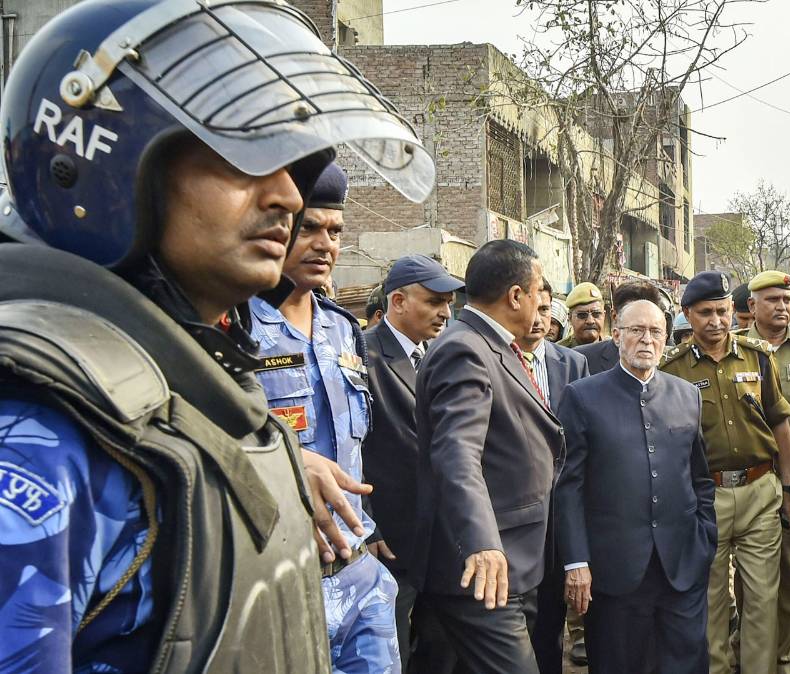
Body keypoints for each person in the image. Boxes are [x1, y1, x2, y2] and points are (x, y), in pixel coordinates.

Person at [0, 0, 435, 669]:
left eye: (291, 168)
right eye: (243, 157)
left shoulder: (193, 379)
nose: (289, 197)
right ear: (108, 171)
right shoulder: (38, 432)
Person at [250, 162, 402, 672]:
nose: (324, 245)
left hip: (359, 576)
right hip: (281, 579)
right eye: (309, 228)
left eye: (335, 232)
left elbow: (359, 446)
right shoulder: (236, 326)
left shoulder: (342, 328)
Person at [412, 239, 561, 671]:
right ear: (515, 296)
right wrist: (481, 543)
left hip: (513, 559)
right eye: (536, 291)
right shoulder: (466, 349)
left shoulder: (495, 346)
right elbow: (457, 452)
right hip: (485, 567)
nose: (540, 305)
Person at [555, 299, 717, 674]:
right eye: (636, 330)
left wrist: (705, 536)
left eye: (655, 331)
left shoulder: (686, 395)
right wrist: (576, 561)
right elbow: (567, 487)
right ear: (616, 336)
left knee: (686, 663)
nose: (647, 339)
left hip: (681, 563)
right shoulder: (582, 396)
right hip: (614, 569)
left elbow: (700, 477)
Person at [660, 270, 790, 674]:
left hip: (760, 491)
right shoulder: (672, 368)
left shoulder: (758, 356)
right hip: (705, 497)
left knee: (762, 597)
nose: (717, 321)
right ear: (687, 313)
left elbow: (780, 423)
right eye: (706, 313)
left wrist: (789, 488)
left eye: (722, 311)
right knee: (711, 599)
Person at [361, 254, 464, 670]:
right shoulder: (362, 354)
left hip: (442, 536)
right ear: (399, 301)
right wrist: (367, 524)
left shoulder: (442, 353)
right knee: (391, 652)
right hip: (390, 538)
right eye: (434, 301)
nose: (445, 313)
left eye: (449, 303)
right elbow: (350, 446)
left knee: (441, 650)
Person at [735, 270, 790, 674]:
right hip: (750, 479)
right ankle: (751, 658)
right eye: (772, 300)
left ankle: (787, 662)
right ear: (752, 307)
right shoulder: (734, 351)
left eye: (787, 300)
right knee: (751, 583)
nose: (782, 307)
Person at [525, 279, 591, 674]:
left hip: (563, 507)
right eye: (532, 308)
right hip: (518, 517)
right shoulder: (497, 359)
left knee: (552, 621)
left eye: (545, 310)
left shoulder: (573, 363)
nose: (538, 319)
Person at [574, 281, 664, 374]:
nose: (646, 339)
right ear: (615, 316)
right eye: (636, 329)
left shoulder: (666, 364)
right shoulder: (580, 359)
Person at [559, 282, 606, 347]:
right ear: (570, 318)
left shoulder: (616, 349)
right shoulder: (557, 351)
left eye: (596, 314)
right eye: (582, 315)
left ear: (604, 315)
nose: (590, 321)